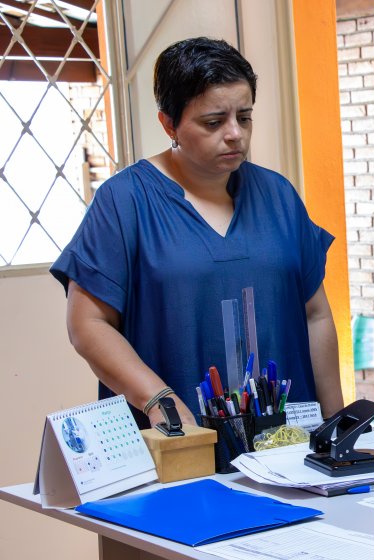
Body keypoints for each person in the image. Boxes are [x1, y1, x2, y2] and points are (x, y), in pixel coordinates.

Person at [50, 37, 344, 430]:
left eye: (244, 116)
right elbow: (88, 326)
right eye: (213, 122)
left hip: (287, 442)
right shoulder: (124, 202)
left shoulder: (278, 196)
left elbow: (316, 314)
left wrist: (337, 421)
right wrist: (159, 401)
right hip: (179, 440)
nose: (235, 133)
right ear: (168, 123)